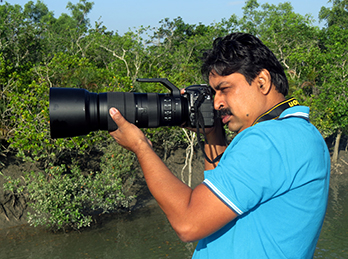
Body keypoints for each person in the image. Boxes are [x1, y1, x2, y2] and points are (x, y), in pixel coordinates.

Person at [108, 32, 330, 258]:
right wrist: (213, 134)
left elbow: (189, 222)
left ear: (262, 82)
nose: (217, 102)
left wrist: (140, 146)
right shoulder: (300, 133)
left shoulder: (267, 140)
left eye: (224, 89)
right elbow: (218, 205)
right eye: (213, 92)